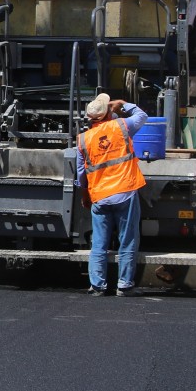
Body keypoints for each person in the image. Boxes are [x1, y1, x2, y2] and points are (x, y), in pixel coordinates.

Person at [76, 93, 148, 296]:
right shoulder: (122, 127)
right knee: (127, 240)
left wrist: (85, 196)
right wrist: (124, 104)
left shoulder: (83, 140)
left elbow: (81, 174)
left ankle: (98, 285)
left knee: (98, 243)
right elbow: (142, 116)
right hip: (125, 191)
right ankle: (124, 285)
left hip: (99, 195)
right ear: (109, 113)